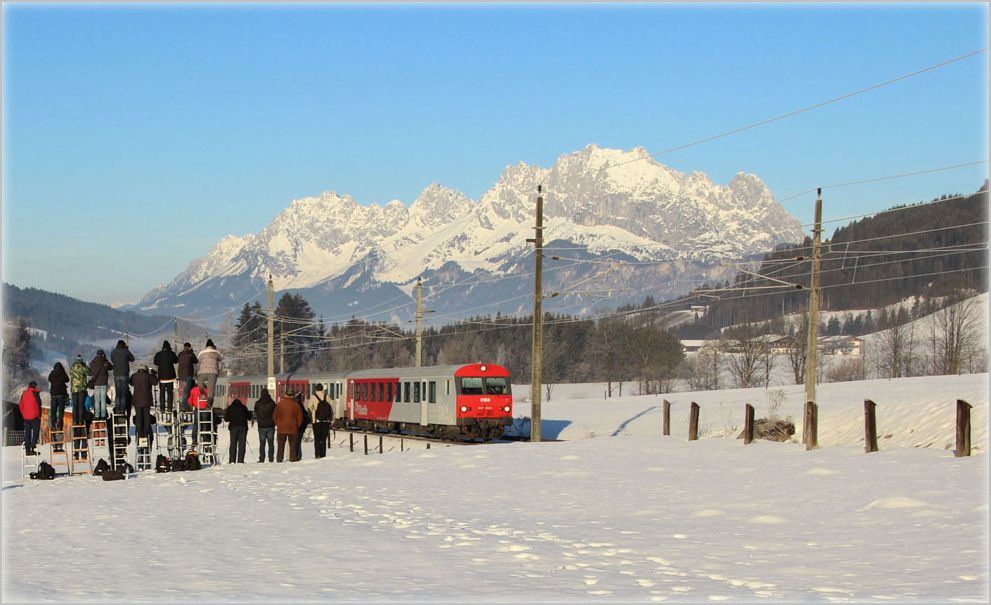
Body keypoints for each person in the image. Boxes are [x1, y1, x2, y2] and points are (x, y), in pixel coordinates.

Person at [129, 364, 158, 444]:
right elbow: (155, 382)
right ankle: (145, 433)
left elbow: (131, 382)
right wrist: (153, 374)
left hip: (137, 400)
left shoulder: (135, 376)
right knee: (146, 417)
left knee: (138, 417)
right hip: (146, 400)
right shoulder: (148, 376)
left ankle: (139, 432)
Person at [69, 354, 91, 452]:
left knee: (75, 407)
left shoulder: (72, 366)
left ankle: (75, 420)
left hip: (74, 390)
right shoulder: (82, 367)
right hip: (81, 389)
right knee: (81, 407)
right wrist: (85, 365)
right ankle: (80, 420)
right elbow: (89, 372)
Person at [274, 388, 303, 462]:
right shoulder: (296, 405)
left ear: (285, 395)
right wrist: (297, 425)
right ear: (293, 396)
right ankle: (292, 457)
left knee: (280, 444)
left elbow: (275, 415)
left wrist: (278, 423)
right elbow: (300, 417)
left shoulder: (279, 404)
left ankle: (279, 458)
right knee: (292, 444)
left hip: (281, 427)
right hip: (292, 427)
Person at [48, 362, 70, 450]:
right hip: (61, 395)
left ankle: (53, 424)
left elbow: (49, 379)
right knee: (60, 412)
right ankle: (59, 424)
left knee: (53, 411)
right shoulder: (62, 373)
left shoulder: (52, 373)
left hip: (53, 395)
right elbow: (67, 379)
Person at [110, 340, 134, 418]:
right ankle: (122, 409)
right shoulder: (126, 351)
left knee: (118, 393)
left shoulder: (113, 352)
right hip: (124, 374)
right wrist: (127, 350)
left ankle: (117, 408)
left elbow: (112, 360)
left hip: (116, 374)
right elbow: (132, 359)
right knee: (123, 393)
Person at [308, 384, 333, 459]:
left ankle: (317, 454)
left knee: (317, 438)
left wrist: (312, 415)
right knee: (323, 438)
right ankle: (323, 454)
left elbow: (309, 407)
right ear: (322, 389)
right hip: (326, 420)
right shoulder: (327, 396)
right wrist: (331, 419)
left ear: (316, 389)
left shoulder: (313, 397)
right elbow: (331, 408)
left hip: (316, 421)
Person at [196, 339, 222, 411]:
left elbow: (198, 361)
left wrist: (197, 371)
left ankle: (202, 394)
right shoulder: (216, 352)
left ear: (206, 346)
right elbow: (221, 358)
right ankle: (209, 405)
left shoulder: (201, 352)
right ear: (212, 345)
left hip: (202, 372)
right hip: (213, 372)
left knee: (200, 383)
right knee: (211, 390)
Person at [153, 341, 178, 412]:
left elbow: (155, 362)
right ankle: (169, 408)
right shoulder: (172, 354)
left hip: (162, 377)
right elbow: (176, 361)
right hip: (170, 377)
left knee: (162, 393)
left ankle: (162, 408)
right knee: (170, 393)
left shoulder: (158, 354)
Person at [89, 349, 113, 420]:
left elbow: (91, 366)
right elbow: (111, 367)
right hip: (103, 384)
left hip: (96, 384)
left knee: (97, 401)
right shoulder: (105, 362)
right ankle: (102, 415)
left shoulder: (94, 363)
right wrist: (105, 358)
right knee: (103, 401)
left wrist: (95, 358)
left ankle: (97, 415)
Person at [19, 381, 42, 455]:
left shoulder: (24, 393)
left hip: (26, 417)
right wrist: (39, 415)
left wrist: (24, 414)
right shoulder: (35, 393)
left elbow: (20, 405)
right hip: (35, 416)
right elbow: (39, 405)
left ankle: (27, 450)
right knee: (36, 432)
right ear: (35, 386)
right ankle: (32, 447)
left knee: (27, 433)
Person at [224, 398, 250, 463]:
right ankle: (240, 460)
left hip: (233, 428)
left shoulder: (230, 408)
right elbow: (249, 417)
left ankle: (232, 460)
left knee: (233, 444)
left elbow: (226, 419)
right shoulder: (243, 407)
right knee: (242, 444)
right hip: (243, 427)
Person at [254, 388, 276, 463]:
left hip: (261, 426)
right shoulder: (272, 403)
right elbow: (275, 413)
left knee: (262, 443)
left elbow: (256, 412)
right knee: (271, 443)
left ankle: (262, 458)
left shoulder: (257, 403)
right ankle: (271, 458)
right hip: (270, 426)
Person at [176, 343, 198, 410]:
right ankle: (184, 407)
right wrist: (191, 353)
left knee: (181, 392)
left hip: (180, 375)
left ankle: (182, 405)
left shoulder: (180, 354)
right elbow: (196, 361)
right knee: (186, 392)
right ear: (189, 347)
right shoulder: (190, 354)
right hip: (188, 374)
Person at [187, 380, 209, 445]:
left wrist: (192, 405)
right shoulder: (206, 390)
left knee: (196, 425)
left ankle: (194, 439)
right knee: (205, 424)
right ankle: (204, 439)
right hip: (205, 409)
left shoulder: (193, 390)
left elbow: (190, 400)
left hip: (197, 409)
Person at [293, 391, 310, 462]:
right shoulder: (301, 406)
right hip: (300, 427)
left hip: (297, 427)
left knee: (296, 442)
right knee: (298, 442)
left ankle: (296, 456)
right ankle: (297, 456)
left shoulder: (296, 406)